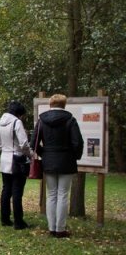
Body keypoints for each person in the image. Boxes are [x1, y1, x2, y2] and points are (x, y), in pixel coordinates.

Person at [32, 94, 83, 238]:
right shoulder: (70, 120)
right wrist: (74, 156)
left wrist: (45, 153)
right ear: (64, 104)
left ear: (50, 104)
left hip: (48, 161)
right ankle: (60, 229)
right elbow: (77, 143)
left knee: (52, 194)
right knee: (62, 195)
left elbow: (33, 143)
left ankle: (51, 227)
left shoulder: (42, 120)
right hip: (66, 160)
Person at [0, 100, 32, 230]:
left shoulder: (1, 123)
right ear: (19, 114)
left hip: (5, 158)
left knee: (6, 190)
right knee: (17, 191)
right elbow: (23, 143)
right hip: (17, 159)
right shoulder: (17, 122)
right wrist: (30, 154)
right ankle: (18, 221)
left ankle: (5, 219)